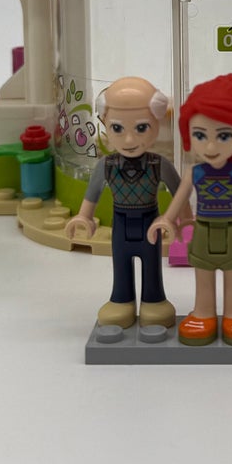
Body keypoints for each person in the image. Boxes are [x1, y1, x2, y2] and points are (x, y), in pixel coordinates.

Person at [150, 74, 232, 346]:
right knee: (203, 277)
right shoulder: (195, 173)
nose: (211, 147)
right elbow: (178, 201)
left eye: (223, 136)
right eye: (200, 135)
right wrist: (166, 220)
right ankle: (203, 314)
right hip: (203, 232)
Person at [66, 77, 179, 330]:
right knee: (120, 265)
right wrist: (84, 216)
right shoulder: (106, 166)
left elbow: (179, 192)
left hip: (150, 222)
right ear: (105, 124)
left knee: (152, 265)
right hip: (120, 223)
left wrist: (175, 219)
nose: (129, 140)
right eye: (117, 128)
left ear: (156, 124)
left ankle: (154, 299)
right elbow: (92, 195)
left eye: (141, 128)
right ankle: (121, 299)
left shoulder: (159, 165)